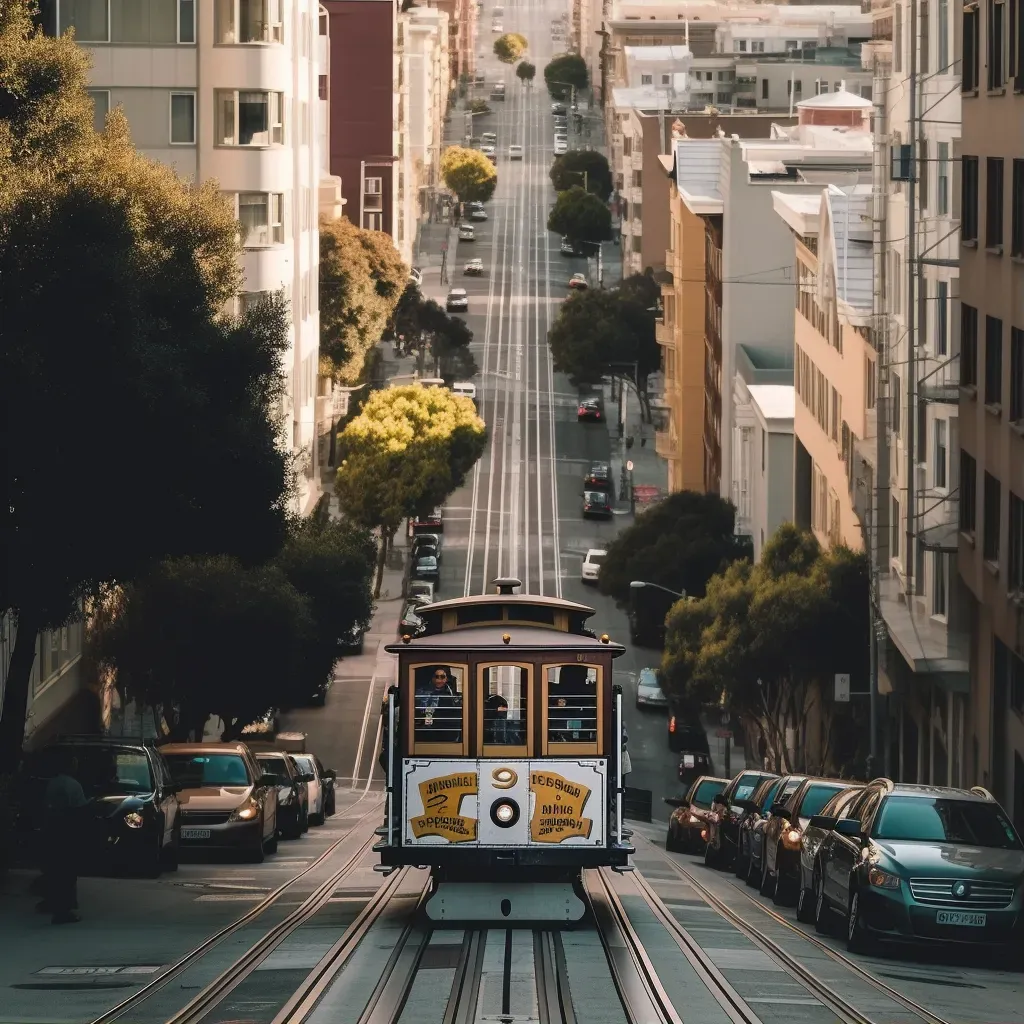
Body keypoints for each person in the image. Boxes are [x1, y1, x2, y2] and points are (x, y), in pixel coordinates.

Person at [39, 750, 87, 925]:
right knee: (67, 873)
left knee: (55, 871)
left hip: (52, 833)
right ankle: (62, 911)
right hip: (68, 834)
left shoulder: (53, 783)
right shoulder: (73, 785)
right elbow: (79, 811)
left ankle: (53, 903)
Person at [415, 666, 461, 743]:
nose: (439, 680)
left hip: (445, 729)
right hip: (425, 728)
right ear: (432, 678)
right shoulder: (422, 691)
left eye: (442, 677)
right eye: (437, 677)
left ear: (446, 679)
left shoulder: (451, 694)